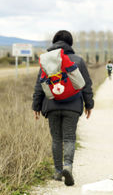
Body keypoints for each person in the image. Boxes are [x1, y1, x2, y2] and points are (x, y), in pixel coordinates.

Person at [32, 30, 94, 186]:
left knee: (56, 139)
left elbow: (40, 85)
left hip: (51, 105)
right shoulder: (78, 60)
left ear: (54, 43)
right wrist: (89, 104)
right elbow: (85, 85)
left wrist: (36, 106)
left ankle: (58, 172)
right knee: (69, 138)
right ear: (70, 44)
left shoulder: (46, 60)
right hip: (72, 106)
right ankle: (68, 166)